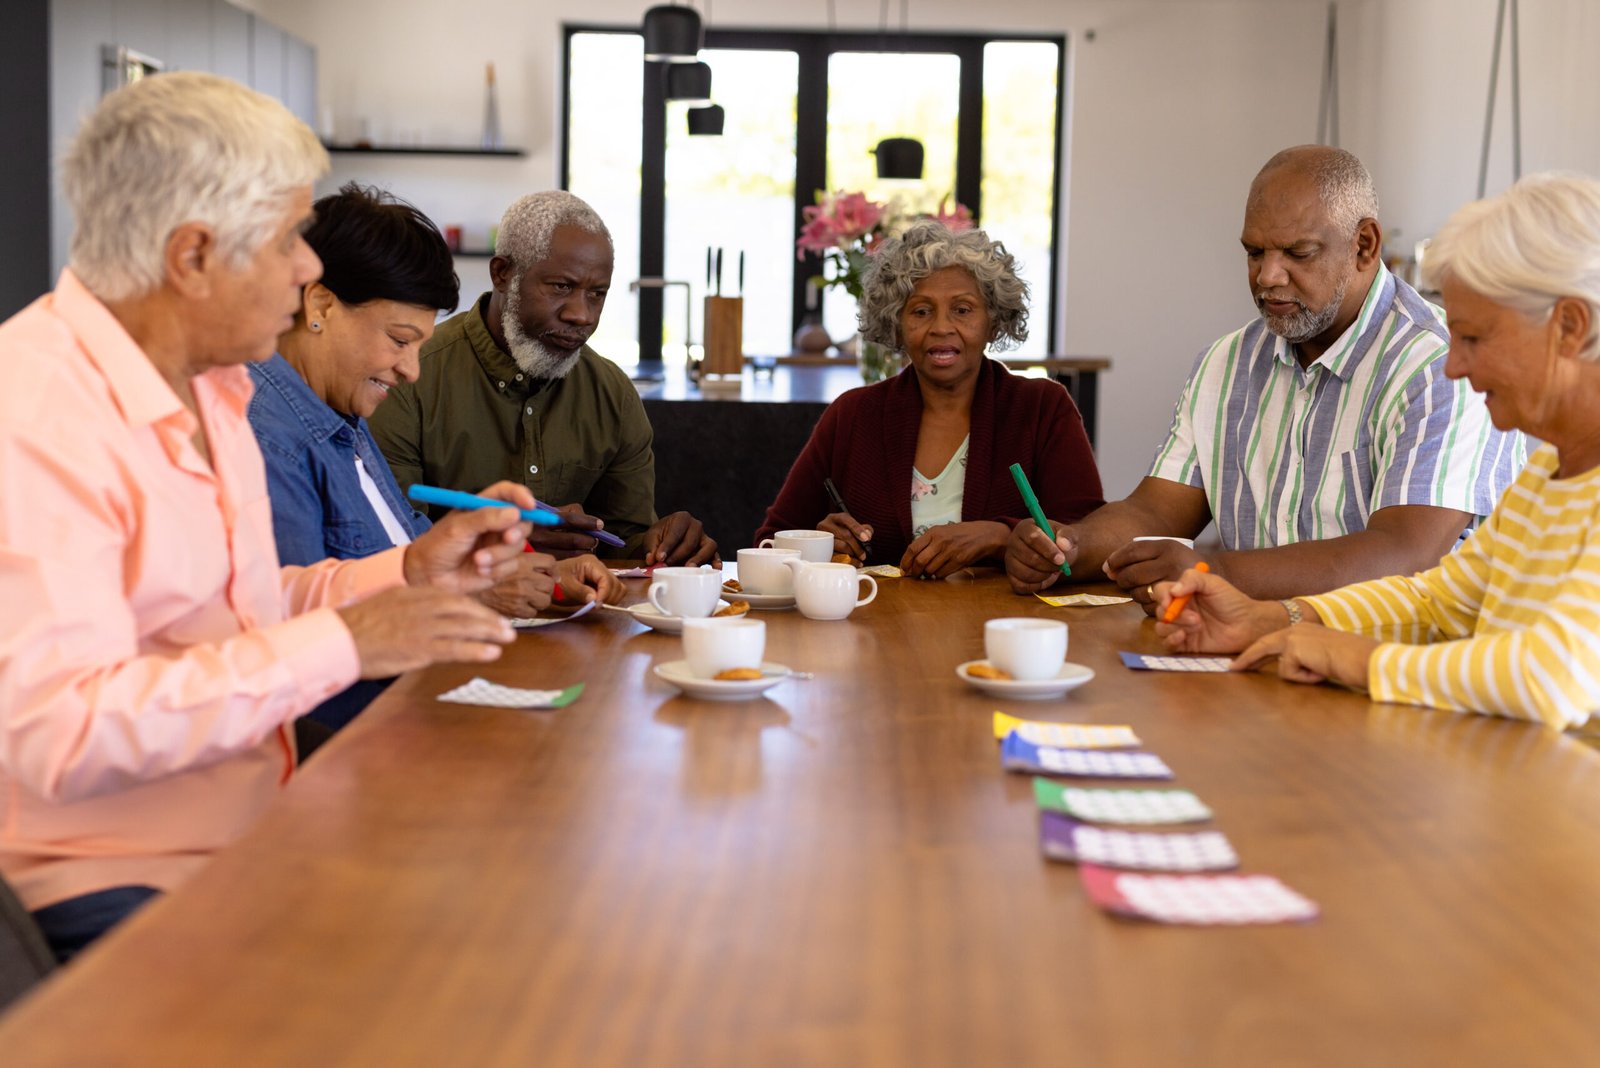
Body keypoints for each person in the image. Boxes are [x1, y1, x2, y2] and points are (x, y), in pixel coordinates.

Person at [0, 73, 532, 961]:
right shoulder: (38, 411)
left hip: (249, 820)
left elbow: (235, 607)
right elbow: (66, 730)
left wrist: (404, 574)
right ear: (194, 256)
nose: (311, 268)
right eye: (289, 238)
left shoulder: (215, 384)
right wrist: (349, 645)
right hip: (114, 882)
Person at [1155, 172, 1600, 730]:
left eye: (1474, 338)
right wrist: (1273, 620)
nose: (1455, 365)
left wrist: (1356, 657)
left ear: (1569, 327)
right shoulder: (1547, 477)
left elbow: (1552, 673)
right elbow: (1435, 604)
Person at [1007, 145, 1525, 608]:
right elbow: (1155, 512)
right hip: (1255, 649)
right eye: (1254, 252)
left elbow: (1402, 554)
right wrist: (1068, 546)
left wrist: (1216, 572)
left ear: (1365, 246)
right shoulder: (1227, 363)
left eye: (1298, 253)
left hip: (1402, 674)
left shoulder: (1440, 367)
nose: (1267, 276)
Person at [247, 183, 622, 730]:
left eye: (420, 346)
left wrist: (519, 573)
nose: (411, 371)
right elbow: (299, 635)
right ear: (320, 304)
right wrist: (475, 593)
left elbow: (400, 552)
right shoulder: (269, 437)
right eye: (399, 340)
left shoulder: (340, 416)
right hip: (363, 738)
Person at [369, 190, 717, 566]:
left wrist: (661, 546)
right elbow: (388, 540)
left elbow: (623, 541)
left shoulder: (612, 393)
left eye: (597, 294)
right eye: (561, 287)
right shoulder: (408, 377)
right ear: (502, 274)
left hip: (579, 621)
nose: (581, 315)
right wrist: (507, 545)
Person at [756, 221, 1103, 577]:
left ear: (994, 323)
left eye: (963, 310)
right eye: (921, 311)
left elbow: (1089, 538)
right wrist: (819, 545)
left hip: (1003, 627)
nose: (941, 327)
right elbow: (768, 542)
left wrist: (1002, 536)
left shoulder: (1042, 408)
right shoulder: (854, 415)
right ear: (896, 324)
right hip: (877, 627)